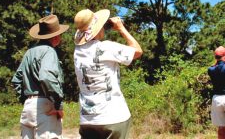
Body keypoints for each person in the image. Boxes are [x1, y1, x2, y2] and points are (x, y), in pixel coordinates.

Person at [73, 9, 143, 139]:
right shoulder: (106, 47)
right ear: (97, 28)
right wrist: (121, 28)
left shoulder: (77, 52)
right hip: (113, 117)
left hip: (87, 119)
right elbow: (138, 51)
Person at [12, 14, 69, 138]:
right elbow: (46, 76)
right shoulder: (49, 51)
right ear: (55, 36)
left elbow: (16, 80)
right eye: (60, 34)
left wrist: (26, 99)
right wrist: (58, 104)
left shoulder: (29, 52)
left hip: (28, 106)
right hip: (46, 106)